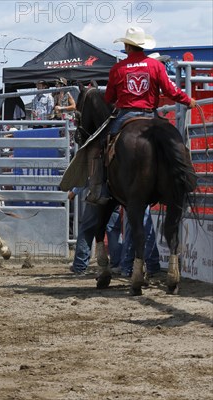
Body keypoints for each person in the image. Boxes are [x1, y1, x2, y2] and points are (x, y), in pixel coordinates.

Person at [86, 26, 197, 204]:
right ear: (142, 45)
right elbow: (170, 90)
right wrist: (187, 101)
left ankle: (102, 190)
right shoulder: (155, 65)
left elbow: (109, 97)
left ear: (128, 47)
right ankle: (187, 178)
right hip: (151, 114)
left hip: (126, 115)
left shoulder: (118, 68)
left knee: (102, 147)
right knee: (176, 140)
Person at [68, 187, 122, 275]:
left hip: (98, 195)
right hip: (115, 196)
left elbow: (86, 178)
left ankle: (80, 266)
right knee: (113, 231)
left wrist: (74, 192)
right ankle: (116, 265)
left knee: (87, 230)